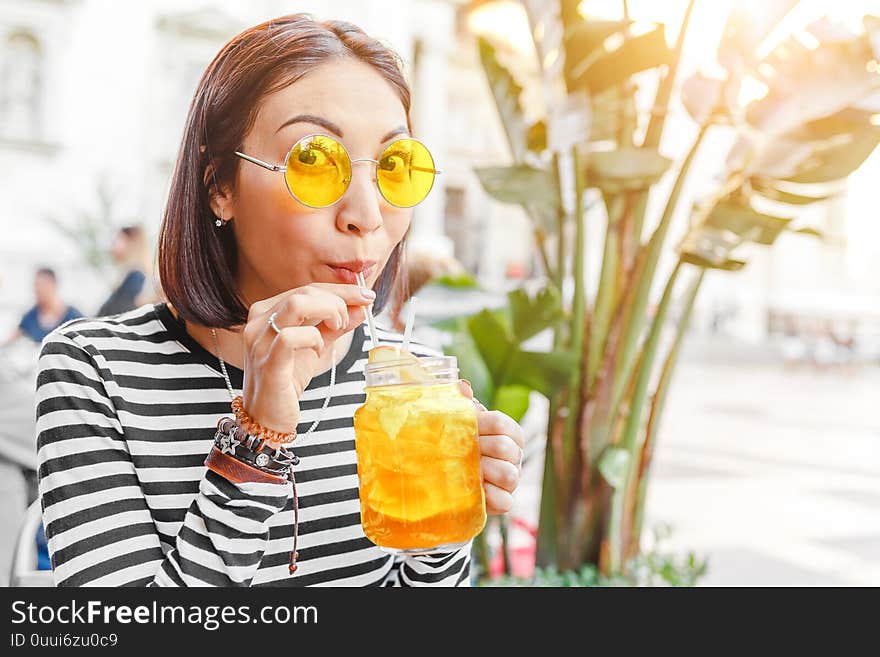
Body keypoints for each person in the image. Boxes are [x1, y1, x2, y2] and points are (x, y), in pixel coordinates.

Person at [35, 14, 524, 587]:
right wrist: (256, 440)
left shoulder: (404, 383)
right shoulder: (92, 370)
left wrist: (438, 534)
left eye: (394, 166)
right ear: (220, 186)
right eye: (314, 162)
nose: (366, 216)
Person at [1, 268, 82, 347]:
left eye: (42, 285)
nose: (38, 290)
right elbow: (12, 338)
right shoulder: (31, 316)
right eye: (36, 286)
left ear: (54, 285)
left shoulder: (73, 317)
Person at [96, 225, 152, 316]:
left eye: (118, 239)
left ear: (131, 243)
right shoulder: (130, 275)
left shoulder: (136, 277)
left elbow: (118, 311)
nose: (112, 245)